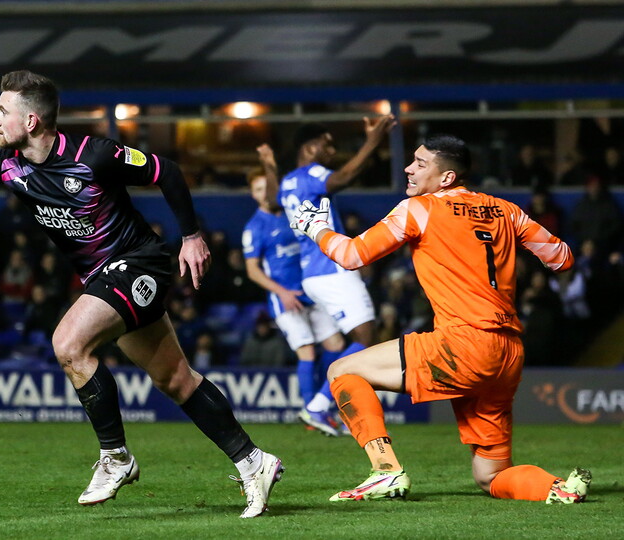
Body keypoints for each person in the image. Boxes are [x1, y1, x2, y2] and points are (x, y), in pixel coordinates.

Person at [0, 69, 283, 518]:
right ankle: (252, 462)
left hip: (140, 264)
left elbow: (168, 171)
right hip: (104, 276)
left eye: (2, 111)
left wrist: (191, 236)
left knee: (68, 344)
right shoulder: (3, 162)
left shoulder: (95, 155)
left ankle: (116, 458)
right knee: (175, 380)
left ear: (31, 121)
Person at [290, 133, 590, 504]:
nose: (408, 168)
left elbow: (352, 255)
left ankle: (385, 471)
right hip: (507, 352)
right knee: (491, 475)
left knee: (341, 372)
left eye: (419, 163)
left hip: (463, 343)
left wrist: (316, 229)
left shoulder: (418, 209)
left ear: (446, 177)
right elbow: (562, 259)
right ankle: (557, 488)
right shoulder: (506, 210)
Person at [241, 157, 350, 436]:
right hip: (285, 299)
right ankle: (311, 416)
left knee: (336, 346)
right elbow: (252, 271)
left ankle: (328, 408)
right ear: (251, 195)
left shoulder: (294, 215)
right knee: (308, 352)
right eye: (257, 190)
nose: (264, 194)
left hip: (313, 291)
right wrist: (283, 293)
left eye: (267, 187)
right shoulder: (254, 227)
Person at [276, 116, 395, 348]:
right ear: (309, 148)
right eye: (326, 144)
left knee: (347, 344)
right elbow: (344, 177)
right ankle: (331, 384)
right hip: (331, 268)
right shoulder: (312, 174)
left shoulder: (288, 182)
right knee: (368, 341)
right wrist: (372, 142)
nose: (332, 151)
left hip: (312, 271)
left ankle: (328, 385)